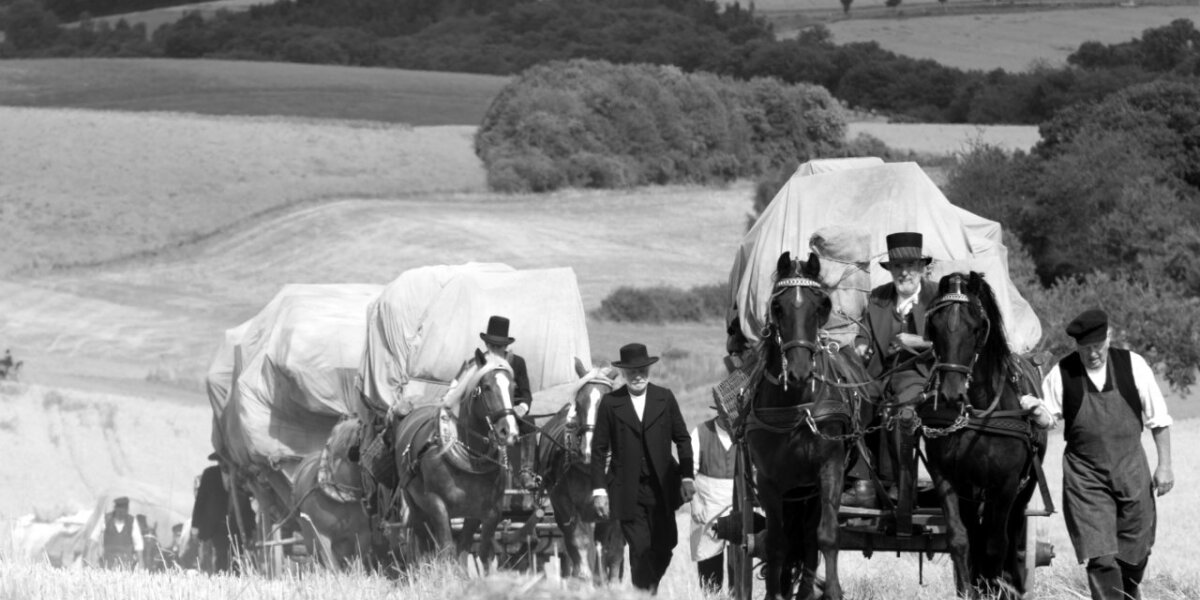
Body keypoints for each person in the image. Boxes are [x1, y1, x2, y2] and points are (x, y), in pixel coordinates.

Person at [1040, 308, 1174, 600]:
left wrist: (1165, 466)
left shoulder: (1133, 366)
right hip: (1085, 479)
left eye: (1098, 347)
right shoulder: (1062, 374)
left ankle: (1128, 591)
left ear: (1109, 338)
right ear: (1076, 347)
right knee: (1100, 558)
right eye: (1085, 349)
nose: (1093, 355)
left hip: (1132, 473)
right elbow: (1046, 417)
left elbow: (1159, 420)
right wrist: (1035, 411)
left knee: (1135, 555)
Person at [591, 342, 695, 595]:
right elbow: (598, 449)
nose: (637, 375)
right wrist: (599, 491)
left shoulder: (665, 397)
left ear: (648, 370)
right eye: (631, 371)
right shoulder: (610, 403)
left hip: (662, 488)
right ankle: (643, 594)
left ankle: (646, 589)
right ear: (624, 374)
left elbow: (682, 439)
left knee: (665, 545)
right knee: (639, 549)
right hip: (627, 489)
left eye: (641, 370)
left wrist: (687, 476)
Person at [848, 231, 937, 507]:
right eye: (898, 266)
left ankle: (902, 483)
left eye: (911, 266)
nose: (905, 273)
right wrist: (861, 345)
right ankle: (862, 483)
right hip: (881, 374)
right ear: (891, 270)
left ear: (922, 268)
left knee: (902, 408)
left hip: (925, 375)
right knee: (854, 399)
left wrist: (918, 341)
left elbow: (953, 340)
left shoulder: (938, 296)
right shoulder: (879, 298)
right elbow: (864, 331)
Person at [448, 316, 535, 489]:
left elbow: (526, 394)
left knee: (530, 426)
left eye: (500, 346)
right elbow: (456, 386)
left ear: (506, 346)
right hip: (483, 414)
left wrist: (521, 408)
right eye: (493, 346)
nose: (496, 349)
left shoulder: (517, 363)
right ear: (487, 345)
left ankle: (526, 472)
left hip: (509, 413)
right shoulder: (475, 363)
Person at [689, 411, 738, 592]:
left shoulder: (746, 433)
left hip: (738, 508)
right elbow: (687, 472)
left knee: (738, 567)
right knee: (709, 572)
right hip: (707, 508)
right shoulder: (701, 432)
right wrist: (694, 501)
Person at [191, 452, 255, 573]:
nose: (224, 463)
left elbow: (247, 506)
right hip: (215, 526)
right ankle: (220, 578)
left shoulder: (240, 476)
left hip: (236, 527)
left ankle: (235, 580)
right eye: (222, 460)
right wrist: (195, 525)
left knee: (236, 556)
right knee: (220, 555)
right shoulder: (210, 474)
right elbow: (200, 501)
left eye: (227, 460)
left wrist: (251, 529)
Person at [92, 496, 143, 569]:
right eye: (119, 510)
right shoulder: (105, 519)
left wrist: (141, 565)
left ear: (127, 510)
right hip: (107, 564)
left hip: (127, 565)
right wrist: (89, 559)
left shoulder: (132, 521)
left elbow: (139, 545)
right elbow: (93, 539)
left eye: (124, 510)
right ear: (115, 509)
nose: (121, 513)